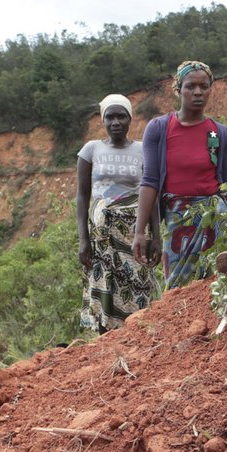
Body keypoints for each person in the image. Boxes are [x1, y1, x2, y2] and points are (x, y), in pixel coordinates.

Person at [133, 61, 227, 289]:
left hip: (214, 219)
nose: (198, 92)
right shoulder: (159, 128)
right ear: (179, 89)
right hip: (177, 219)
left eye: (204, 86)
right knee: (177, 291)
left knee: (216, 285)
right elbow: (150, 181)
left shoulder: (220, 133)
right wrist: (140, 231)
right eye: (191, 86)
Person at [76, 94, 156, 333]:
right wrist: (83, 239)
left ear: (130, 118)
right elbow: (82, 196)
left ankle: (138, 337)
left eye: (121, 116)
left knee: (139, 286)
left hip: (136, 234)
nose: (116, 122)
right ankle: (106, 342)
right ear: (103, 120)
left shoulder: (143, 150)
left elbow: (151, 194)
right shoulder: (91, 150)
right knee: (105, 288)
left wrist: (157, 237)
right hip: (101, 238)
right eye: (110, 117)